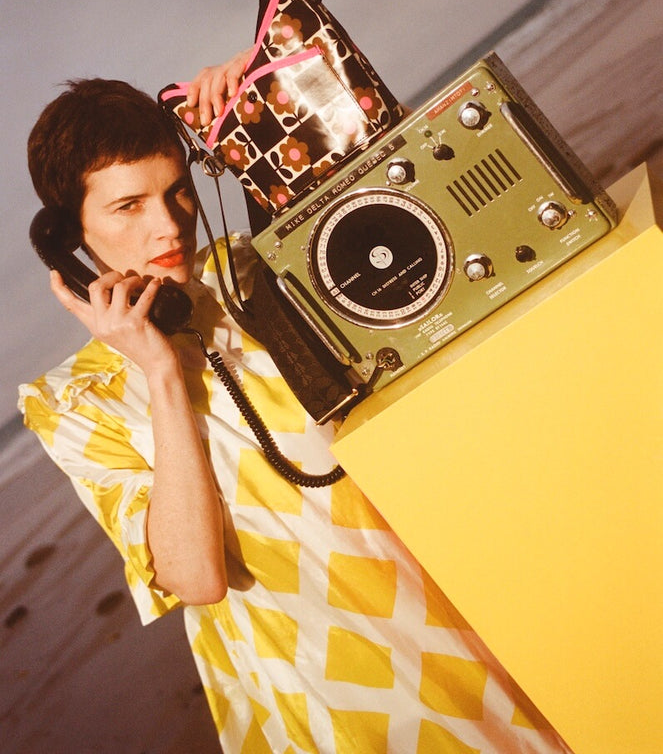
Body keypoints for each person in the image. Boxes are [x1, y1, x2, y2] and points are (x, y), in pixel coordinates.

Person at [19, 59, 572, 754]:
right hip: (327, 681)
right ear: (69, 238)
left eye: (177, 192)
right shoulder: (75, 401)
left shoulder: (254, 271)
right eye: (128, 206)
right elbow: (193, 575)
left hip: (455, 595)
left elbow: (416, 210)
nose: (168, 226)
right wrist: (160, 372)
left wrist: (264, 108)